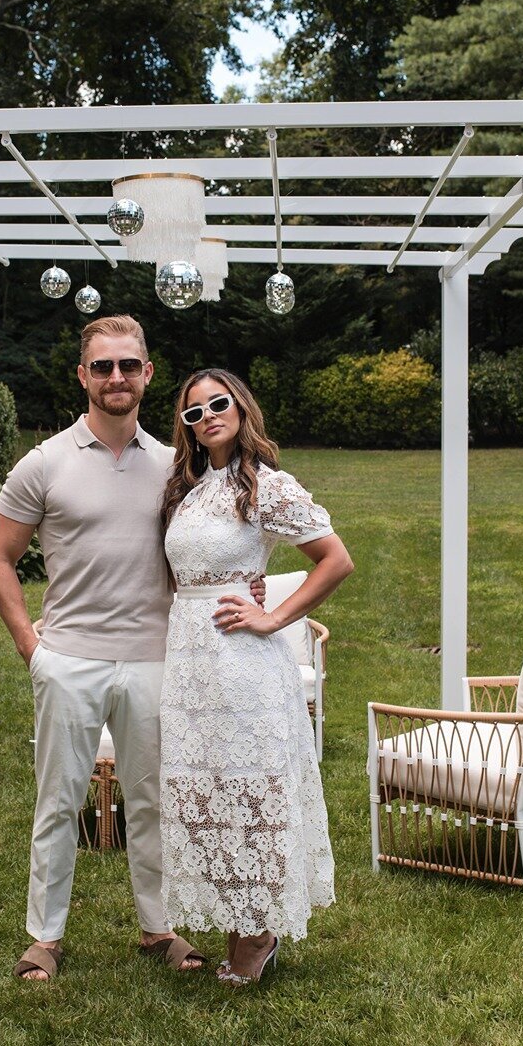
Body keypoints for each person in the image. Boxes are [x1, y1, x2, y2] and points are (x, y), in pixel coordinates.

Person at [0, 316, 263, 982]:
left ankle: (157, 926)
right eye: (103, 366)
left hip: (155, 658)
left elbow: (218, 538)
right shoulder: (45, 462)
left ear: (147, 374)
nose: (116, 377)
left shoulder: (178, 468)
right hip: (69, 658)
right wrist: (31, 645)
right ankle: (44, 937)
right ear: (82, 375)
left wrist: (248, 582)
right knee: (59, 801)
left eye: (128, 365)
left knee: (152, 801)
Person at [158, 368, 353, 986]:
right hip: (189, 663)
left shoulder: (267, 486)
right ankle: (238, 916)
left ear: (241, 409)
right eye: (195, 412)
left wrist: (272, 617)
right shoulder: (188, 488)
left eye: (219, 404)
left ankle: (259, 932)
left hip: (243, 664)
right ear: (186, 427)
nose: (208, 416)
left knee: (255, 795)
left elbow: (335, 560)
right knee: (208, 797)